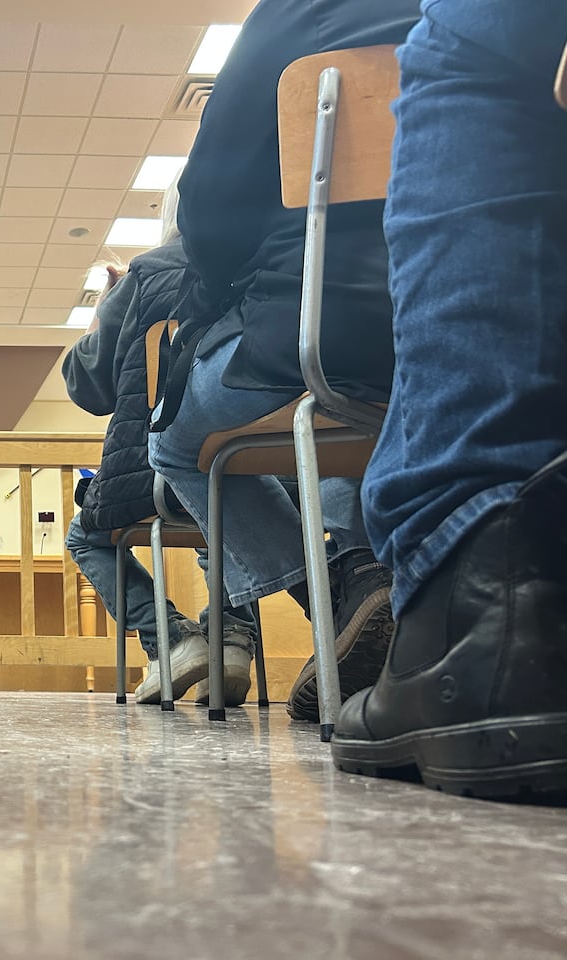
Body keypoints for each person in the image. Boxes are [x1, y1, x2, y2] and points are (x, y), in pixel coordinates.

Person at [145, 0, 421, 721]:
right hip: (468, 314)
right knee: (348, 442)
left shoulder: (298, 15)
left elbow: (208, 206)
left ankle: (343, 589)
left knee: (172, 443)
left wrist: (224, 288)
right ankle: (404, 611)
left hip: (323, 329)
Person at [330, 0, 567, 804]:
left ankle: (478, 588)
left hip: (301, 340)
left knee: (476, 37)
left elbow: (212, 224)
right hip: (360, 329)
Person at [63, 185, 258, 705]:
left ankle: (171, 641)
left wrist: (104, 308)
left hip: (158, 478)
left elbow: (87, 385)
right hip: (264, 466)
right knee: (228, 508)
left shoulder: (151, 271)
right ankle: (233, 639)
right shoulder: (269, 261)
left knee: (86, 536)